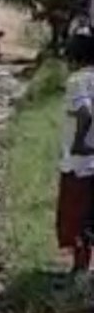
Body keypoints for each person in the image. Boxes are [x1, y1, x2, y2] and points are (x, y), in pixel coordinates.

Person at [57, 29, 94, 273]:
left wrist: (80, 142)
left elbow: (85, 112)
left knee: (77, 220)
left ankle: (80, 269)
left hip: (81, 163)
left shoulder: (78, 80)